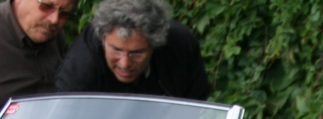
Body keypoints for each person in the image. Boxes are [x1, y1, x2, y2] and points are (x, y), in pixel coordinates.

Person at [54, 0, 210, 100]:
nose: (125, 63)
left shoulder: (180, 48)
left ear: (155, 44)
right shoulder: (79, 69)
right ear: (103, 39)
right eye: (116, 50)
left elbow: (195, 105)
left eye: (137, 53)